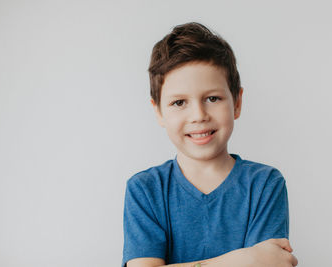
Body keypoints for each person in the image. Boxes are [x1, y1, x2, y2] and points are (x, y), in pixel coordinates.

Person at [122, 22, 298, 267]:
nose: (198, 115)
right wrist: (242, 260)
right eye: (179, 102)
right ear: (159, 111)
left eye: (212, 98)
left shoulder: (265, 184)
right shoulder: (145, 190)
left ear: (237, 102)